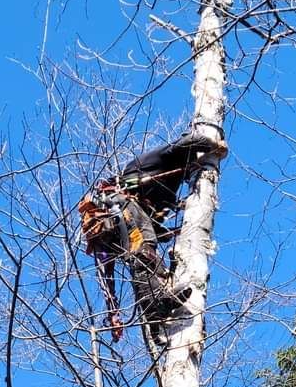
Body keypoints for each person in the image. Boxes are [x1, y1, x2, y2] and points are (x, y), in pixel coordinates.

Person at [78, 130, 227, 343]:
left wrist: (113, 312)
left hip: (118, 219)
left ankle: (156, 321)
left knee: (146, 256)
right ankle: (155, 304)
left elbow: (105, 269)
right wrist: (214, 145)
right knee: (143, 252)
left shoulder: (158, 192)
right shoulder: (166, 156)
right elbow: (192, 141)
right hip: (120, 208)